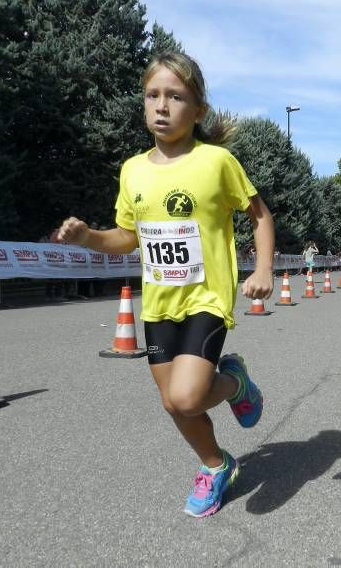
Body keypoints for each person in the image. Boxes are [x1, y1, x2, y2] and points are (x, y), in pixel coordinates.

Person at [55, 52, 275, 518]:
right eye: (152, 95)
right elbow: (126, 237)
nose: (161, 105)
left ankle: (235, 383)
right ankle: (216, 466)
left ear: (197, 110)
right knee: (174, 405)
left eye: (175, 96)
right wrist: (88, 237)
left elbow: (260, 216)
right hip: (157, 305)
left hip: (207, 298)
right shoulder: (133, 170)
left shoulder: (216, 161)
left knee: (188, 395)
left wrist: (263, 270)